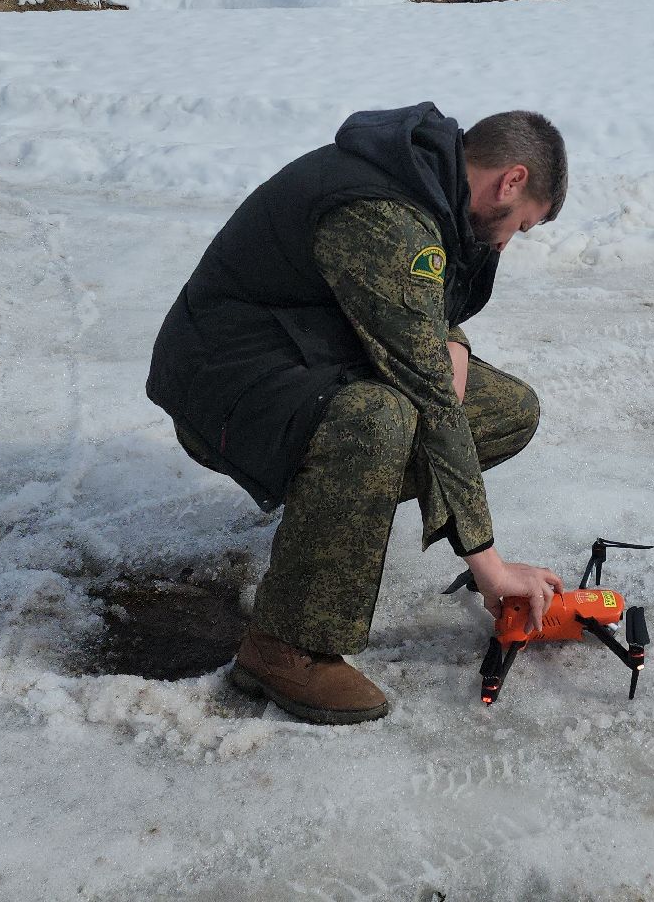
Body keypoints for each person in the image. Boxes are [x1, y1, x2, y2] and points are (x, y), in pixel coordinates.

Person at [147, 103, 569, 724]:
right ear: (510, 181)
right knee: (380, 419)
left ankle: (327, 510)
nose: (507, 241)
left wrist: (451, 339)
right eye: (520, 225)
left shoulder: (434, 184)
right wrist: (489, 565)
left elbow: (411, 297)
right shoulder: (383, 212)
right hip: (229, 382)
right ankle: (287, 647)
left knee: (506, 410)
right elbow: (423, 383)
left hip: (308, 352)